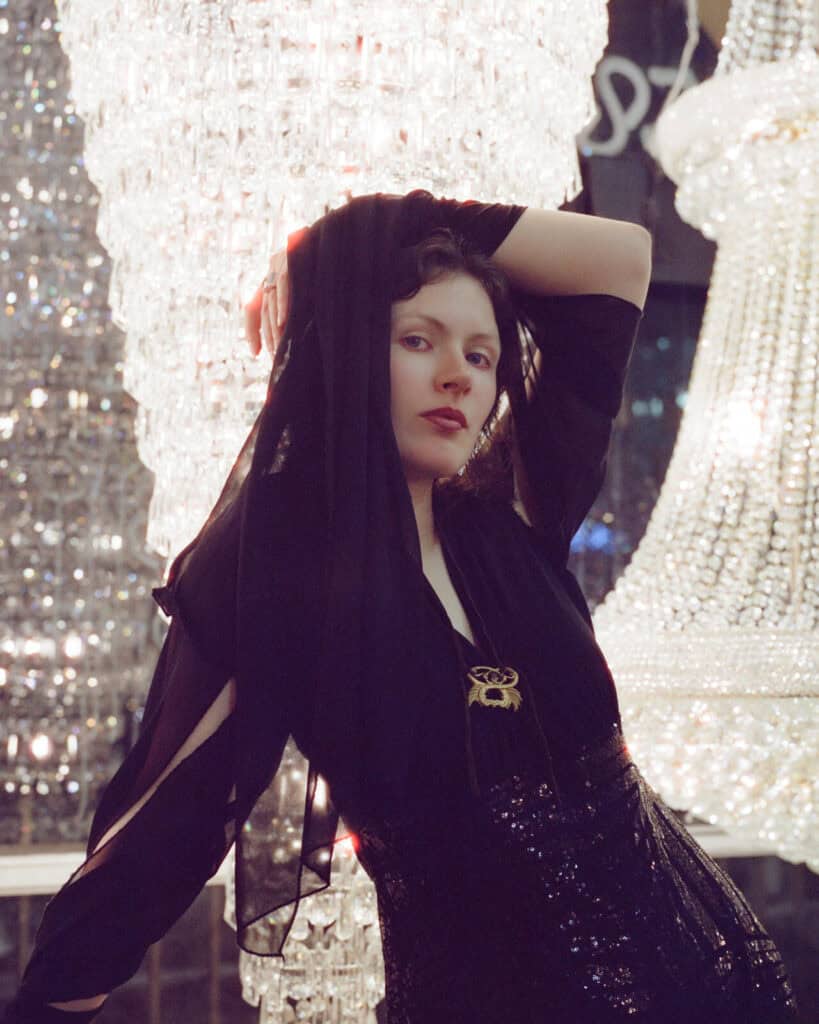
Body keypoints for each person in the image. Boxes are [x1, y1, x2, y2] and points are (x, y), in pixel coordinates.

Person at [2, 189, 799, 1024]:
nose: (457, 373)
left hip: (713, 982)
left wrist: (354, 229)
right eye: (418, 340)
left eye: (482, 356)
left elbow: (619, 257)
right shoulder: (281, 574)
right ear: (347, 353)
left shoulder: (513, 520)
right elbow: (163, 828)